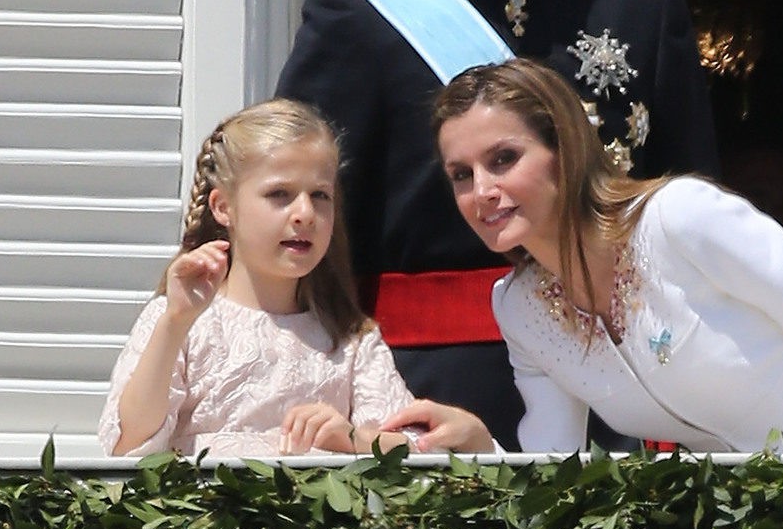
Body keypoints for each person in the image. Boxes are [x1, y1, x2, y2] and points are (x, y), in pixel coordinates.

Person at [276, 0, 718, 449]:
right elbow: (300, 229)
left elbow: (691, 219)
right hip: (422, 397)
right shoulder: (359, 13)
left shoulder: (642, 1)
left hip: (616, 391)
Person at [421, 59, 783, 458]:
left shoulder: (682, 218)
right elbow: (553, 470)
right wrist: (479, 447)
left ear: (563, 151)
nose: (482, 190)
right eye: (461, 175)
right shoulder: (520, 307)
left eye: (503, 159)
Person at [98, 100, 493, 459]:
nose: (304, 213)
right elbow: (129, 444)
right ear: (223, 206)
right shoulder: (180, 321)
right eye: (280, 195)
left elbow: (412, 448)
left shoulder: (349, 337)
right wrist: (176, 321)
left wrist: (350, 437)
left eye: (320, 195)